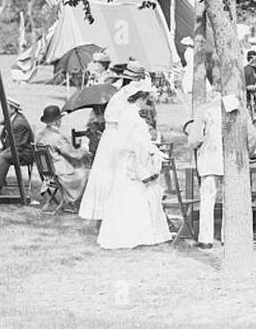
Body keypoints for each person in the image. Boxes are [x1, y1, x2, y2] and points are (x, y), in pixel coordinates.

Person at [85, 82, 172, 250]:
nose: (149, 101)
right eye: (147, 97)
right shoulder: (131, 115)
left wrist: (150, 149)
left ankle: (138, 233)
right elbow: (131, 140)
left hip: (132, 156)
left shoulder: (131, 113)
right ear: (141, 97)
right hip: (131, 158)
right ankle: (128, 235)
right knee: (129, 193)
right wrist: (146, 150)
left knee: (133, 194)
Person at [183, 81, 224, 248]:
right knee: (228, 199)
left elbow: (195, 139)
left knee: (208, 198)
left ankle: (206, 239)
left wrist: (194, 143)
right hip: (228, 160)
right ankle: (226, 236)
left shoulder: (204, 110)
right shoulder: (235, 108)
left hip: (209, 158)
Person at [37, 104, 90, 207]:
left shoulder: (40, 135)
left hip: (46, 171)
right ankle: (79, 202)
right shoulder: (57, 137)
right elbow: (73, 154)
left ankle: (75, 201)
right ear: (57, 121)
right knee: (87, 172)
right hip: (59, 172)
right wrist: (84, 150)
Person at [0, 97, 36, 195]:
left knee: (4, 157)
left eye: (5, 108)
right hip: (12, 149)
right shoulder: (12, 118)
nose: (3, 110)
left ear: (12, 109)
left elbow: (18, 146)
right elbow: (6, 123)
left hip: (24, 153)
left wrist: (3, 153)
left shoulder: (20, 124)